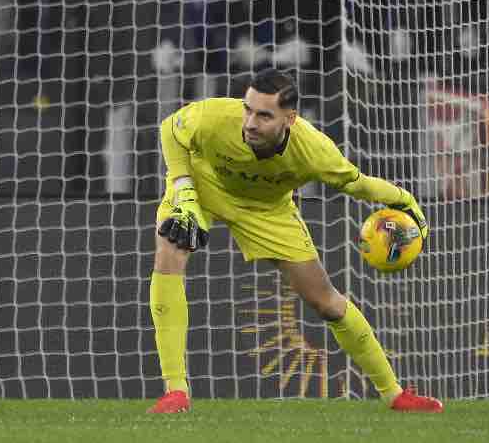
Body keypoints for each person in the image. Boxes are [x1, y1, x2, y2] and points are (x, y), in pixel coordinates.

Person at [147, 69, 443, 414]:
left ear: (290, 118)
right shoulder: (216, 116)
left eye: (263, 115)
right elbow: (170, 128)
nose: (250, 122)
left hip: (268, 210)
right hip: (202, 186)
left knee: (326, 302)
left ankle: (395, 394)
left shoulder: (314, 149)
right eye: (248, 109)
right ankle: (175, 391)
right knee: (170, 249)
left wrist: (403, 198)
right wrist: (183, 187)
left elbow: (357, 184)